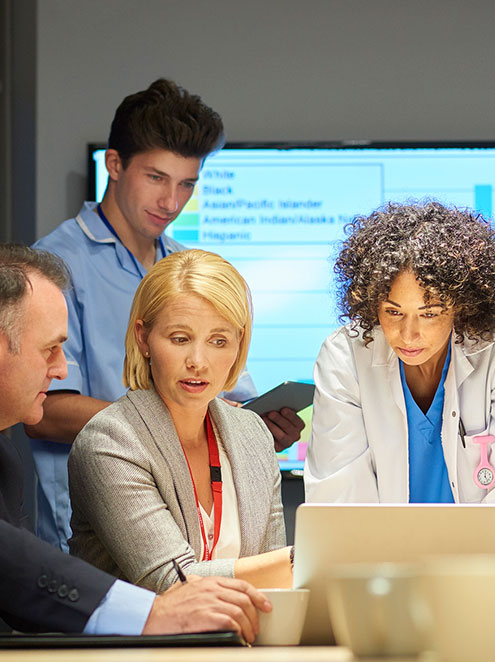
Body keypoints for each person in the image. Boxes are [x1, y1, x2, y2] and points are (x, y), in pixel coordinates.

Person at [0, 242, 271, 650]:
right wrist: (150, 611)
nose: (62, 369)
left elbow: (17, 589)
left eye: (219, 341)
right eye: (51, 348)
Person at [26, 79, 304, 551]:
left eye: (186, 184)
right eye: (156, 178)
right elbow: (42, 409)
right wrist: (175, 420)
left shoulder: (188, 267)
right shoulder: (54, 267)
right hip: (90, 532)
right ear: (114, 164)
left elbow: (231, 395)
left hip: (199, 523)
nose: (172, 202)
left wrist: (258, 429)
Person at [68, 250, 292, 591]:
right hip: (133, 644)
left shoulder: (252, 434)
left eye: (219, 341)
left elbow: (277, 585)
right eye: (180, 339)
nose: (198, 362)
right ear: (143, 338)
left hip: (242, 640)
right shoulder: (110, 441)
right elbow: (172, 582)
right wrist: (302, 561)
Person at [305, 201, 495, 504]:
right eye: (393, 312)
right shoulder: (346, 355)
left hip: (488, 547)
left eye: (430, 314)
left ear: (463, 305)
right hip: (377, 549)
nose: (408, 334)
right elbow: (339, 501)